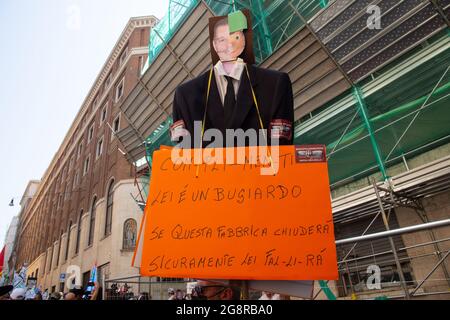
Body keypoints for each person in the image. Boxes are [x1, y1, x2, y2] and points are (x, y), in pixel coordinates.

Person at [171, 9, 294, 149]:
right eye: (222, 40)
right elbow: (183, 149)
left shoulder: (275, 84)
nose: (229, 45)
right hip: (208, 169)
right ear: (214, 45)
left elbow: (282, 147)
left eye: (235, 37)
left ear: (243, 40)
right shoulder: (185, 95)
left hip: (261, 169)